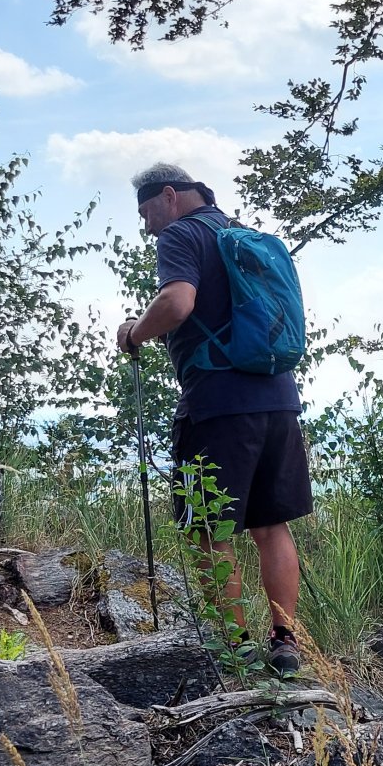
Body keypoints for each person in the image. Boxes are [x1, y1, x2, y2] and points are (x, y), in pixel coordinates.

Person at [116, 162, 310, 675]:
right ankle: (285, 641)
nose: (146, 226)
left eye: (146, 212)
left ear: (170, 195)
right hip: (278, 400)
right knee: (270, 525)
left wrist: (135, 333)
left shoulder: (181, 235)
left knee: (206, 527)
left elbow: (177, 302)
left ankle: (236, 647)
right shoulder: (241, 234)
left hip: (218, 404)